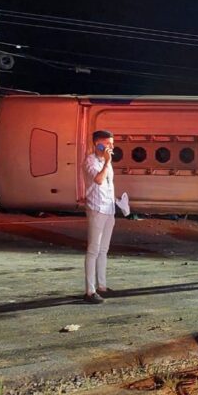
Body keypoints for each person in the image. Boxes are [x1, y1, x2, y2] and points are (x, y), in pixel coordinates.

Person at [83, 130, 117, 304]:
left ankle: (102, 286)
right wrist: (107, 162)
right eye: (108, 143)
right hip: (96, 209)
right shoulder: (90, 160)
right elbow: (98, 180)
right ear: (98, 144)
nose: (111, 146)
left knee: (104, 250)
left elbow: (109, 185)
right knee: (93, 249)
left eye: (112, 143)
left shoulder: (106, 161)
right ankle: (90, 291)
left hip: (109, 209)